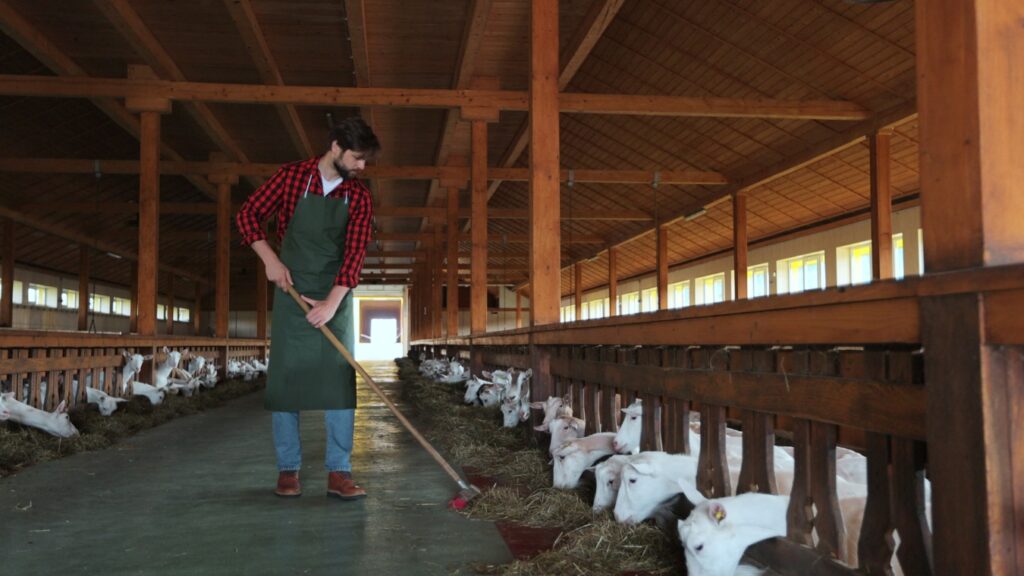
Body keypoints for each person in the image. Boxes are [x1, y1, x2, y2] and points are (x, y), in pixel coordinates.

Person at [236, 117, 380, 500]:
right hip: (291, 289)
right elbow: (246, 215)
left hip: (336, 293)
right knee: (286, 380)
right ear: (335, 147)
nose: (362, 167)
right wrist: (269, 259)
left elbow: (355, 254)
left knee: (339, 381)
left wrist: (333, 302)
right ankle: (288, 470)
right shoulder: (290, 178)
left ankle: (339, 472)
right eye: (357, 158)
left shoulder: (359, 197)